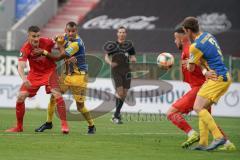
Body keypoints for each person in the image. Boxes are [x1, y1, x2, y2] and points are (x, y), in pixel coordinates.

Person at [167, 26, 236, 150]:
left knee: (172, 112)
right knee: (206, 119)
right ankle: (226, 143)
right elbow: (198, 62)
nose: (174, 41)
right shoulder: (187, 49)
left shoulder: (189, 49)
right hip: (202, 86)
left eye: (175, 38)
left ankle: (192, 133)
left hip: (199, 88)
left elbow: (198, 63)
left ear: (182, 37)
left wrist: (205, 72)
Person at [34, 21, 96, 134]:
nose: (71, 33)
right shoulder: (66, 36)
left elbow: (58, 58)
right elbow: (57, 40)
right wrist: (57, 39)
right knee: (53, 96)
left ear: (76, 31)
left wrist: (45, 52)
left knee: (80, 107)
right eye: (69, 31)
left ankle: (91, 125)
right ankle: (48, 123)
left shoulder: (77, 44)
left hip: (79, 77)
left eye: (73, 31)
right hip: (66, 75)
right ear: (66, 30)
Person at [5, 26, 69, 133]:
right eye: (33, 36)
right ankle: (19, 127)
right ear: (29, 36)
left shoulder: (47, 42)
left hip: (50, 72)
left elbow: (60, 43)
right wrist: (24, 78)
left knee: (56, 94)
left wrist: (60, 40)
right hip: (34, 75)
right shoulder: (25, 48)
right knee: (20, 97)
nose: (36, 39)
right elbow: (21, 66)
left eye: (38, 36)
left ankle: (64, 126)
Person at [104, 26, 137, 124]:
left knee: (124, 94)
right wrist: (110, 63)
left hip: (126, 71)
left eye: (123, 32)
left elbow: (133, 57)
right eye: (120, 32)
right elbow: (106, 56)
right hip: (116, 71)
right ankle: (116, 116)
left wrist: (133, 59)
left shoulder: (129, 45)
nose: (122, 34)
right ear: (117, 34)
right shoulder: (113, 45)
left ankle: (116, 115)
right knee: (120, 93)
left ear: (125, 34)